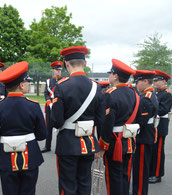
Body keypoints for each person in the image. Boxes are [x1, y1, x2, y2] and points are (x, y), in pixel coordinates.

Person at [0, 61, 47, 195]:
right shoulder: (33, 105)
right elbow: (42, 135)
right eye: (27, 82)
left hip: (7, 157)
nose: (28, 84)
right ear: (21, 85)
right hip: (30, 155)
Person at [51, 46, 105, 194]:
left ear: (66, 64)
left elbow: (56, 121)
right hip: (88, 142)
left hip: (67, 143)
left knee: (67, 185)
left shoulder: (61, 86)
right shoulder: (96, 87)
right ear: (85, 63)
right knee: (85, 182)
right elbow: (101, 119)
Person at [96, 59, 139, 195]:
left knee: (113, 177)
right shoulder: (134, 93)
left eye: (111, 73)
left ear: (115, 76)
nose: (109, 76)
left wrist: (102, 147)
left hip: (115, 143)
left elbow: (107, 123)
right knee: (125, 176)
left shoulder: (111, 95)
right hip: (129, 141)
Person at [132, 70, 158, 195]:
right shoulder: (148, 95)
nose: (136, 84)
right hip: (145, 135)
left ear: (145, 81)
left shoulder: (146, 98)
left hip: (143, 136)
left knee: (141, 169)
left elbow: (141, 120)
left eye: (138, 81)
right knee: (139, 168)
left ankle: (140, 192)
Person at [149, 70, 172, 183]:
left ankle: (157, 175)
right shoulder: (156, 93)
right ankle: (151, 172)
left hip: (160, 126)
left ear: (163, 81)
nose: (154, 82)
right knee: (153, 150)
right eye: (154, 80)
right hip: (154, 125)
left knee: (158, 151)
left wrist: (151, 109)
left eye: (157, 80)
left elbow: (163, 109)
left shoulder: (167, 94)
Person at [41, 61, 64, 153]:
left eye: (60, 70)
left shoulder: (64, 80)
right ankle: (47, 146)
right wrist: (49, 102)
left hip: (60, 106)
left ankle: (61, 147)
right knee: (48, 127)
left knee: (61, 126)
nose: (59, 72)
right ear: (53, 70)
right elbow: (46, 93)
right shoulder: (49, 81)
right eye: (57, 70)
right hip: (50, 106)